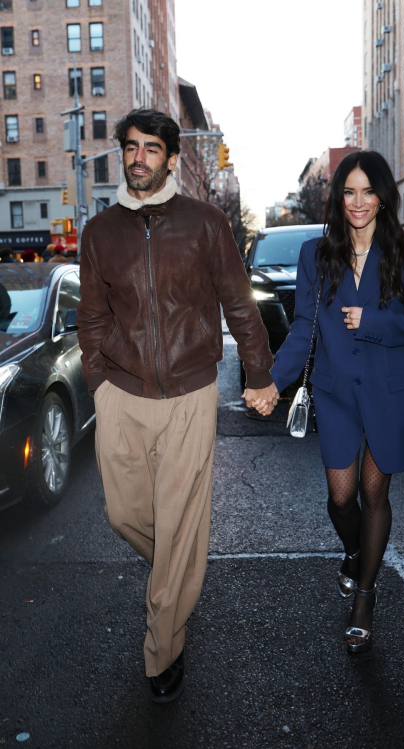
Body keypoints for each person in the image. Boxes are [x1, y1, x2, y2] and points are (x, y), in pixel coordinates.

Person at [76, 108, 275, 703]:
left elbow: (239, 303)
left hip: (190, 390)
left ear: (171, 157)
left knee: (182, 520)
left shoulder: (205, 222)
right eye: (131, 148)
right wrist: (98, 382)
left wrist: (259, 374)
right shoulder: (99, 232)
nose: (139, 158)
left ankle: (163, 647)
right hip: (121, 391)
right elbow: (91, 316)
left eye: (151, 149)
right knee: (123, 514)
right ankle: (177, 576)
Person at [268, 151, 404, 654]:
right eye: (349, 192)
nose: (359, 202)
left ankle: (364, 595)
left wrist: (371, 322)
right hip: (337, 392)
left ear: (384, 196)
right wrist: (270, 381)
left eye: (368, 191)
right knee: (341, 498)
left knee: (373, 495)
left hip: (390, 392)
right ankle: (354, 552)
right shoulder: (316, 254)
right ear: (338, 198)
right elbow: (304, 329)